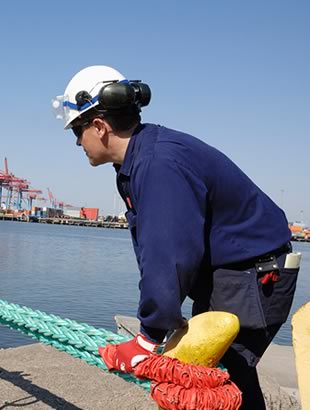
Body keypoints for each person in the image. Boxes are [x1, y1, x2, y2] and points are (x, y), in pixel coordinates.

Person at [52, 65, 299, 409]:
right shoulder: (143, 157)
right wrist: (158, 324)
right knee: (224, 382)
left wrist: (149, 338)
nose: (78, 141)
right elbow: (162, 251)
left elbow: (167, 254)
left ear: (99, 126)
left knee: (205, 385)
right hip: (235, 276)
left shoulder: (157, 163)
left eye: (77, 131)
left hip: (253, 278)